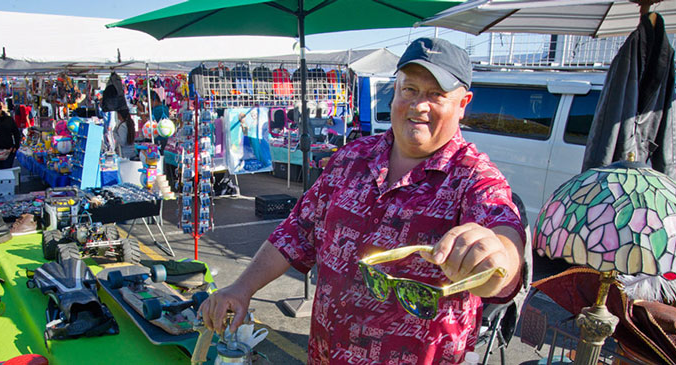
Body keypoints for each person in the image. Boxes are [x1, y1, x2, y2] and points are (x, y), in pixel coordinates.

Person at [199, 38, 526, 364]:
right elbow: (297, 232)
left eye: (435, 95)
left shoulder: (472, 176)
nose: (418, 105)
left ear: (463, 102)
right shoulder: (351, 158)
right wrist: (241, 288)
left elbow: (503, 241)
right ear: (395, 91)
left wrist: (498, 256)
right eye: (409, 90)